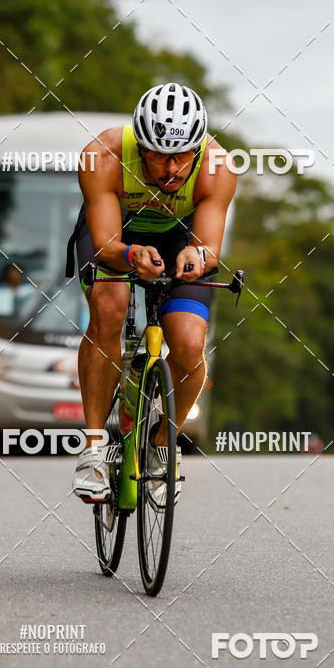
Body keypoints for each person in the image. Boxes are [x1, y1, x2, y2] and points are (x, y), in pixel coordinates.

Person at [65, 82, 236, 503]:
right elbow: (105, 243)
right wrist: (131, 253)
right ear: (140, 146)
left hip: (180, 239)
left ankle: (162, 443)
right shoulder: (101, 155)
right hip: (116, 234)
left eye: (182, 155)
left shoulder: (218, 166)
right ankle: (92, 451)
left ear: (198, 148)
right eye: (159, 154)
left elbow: (209, 247)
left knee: (190, 342)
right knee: (109, 306)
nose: (172, 168)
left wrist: (198, 257)